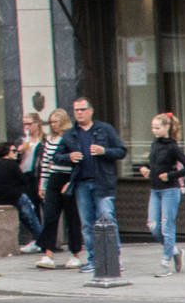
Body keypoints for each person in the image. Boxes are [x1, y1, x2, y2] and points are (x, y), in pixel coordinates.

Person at [54, 97, 126, 271]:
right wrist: (69, 157)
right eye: (76, 110)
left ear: (90, 110)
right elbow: (56, 157)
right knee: (87, 223)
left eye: (82, 109)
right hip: (81, 183)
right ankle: (94, 260)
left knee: (107, 219)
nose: (79, 113)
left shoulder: (104, 129)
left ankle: (113, 258)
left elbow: (121, 151)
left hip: (103, 182)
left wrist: (104, 151)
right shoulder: (70, 134)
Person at [138, 111, 185, 274]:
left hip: (170, 190)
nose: (154, 131)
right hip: (155, 189)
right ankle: (174, 251)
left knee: (167, 225)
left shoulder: (173, 147)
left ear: (166, 127)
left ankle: (165, 263)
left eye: (157, 128)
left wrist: (170, 176)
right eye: (152, 128)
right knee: (153, 225)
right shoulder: (155, 144)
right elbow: (153, 162)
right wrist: (145, 168)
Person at [34, 107, 78, 267]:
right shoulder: (49, 139)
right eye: (51, 122)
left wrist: (72, 179)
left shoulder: (71, 137)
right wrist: (42, 184)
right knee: (50, 216)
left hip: (68, 178)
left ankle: (75, 253)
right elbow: (45, 163)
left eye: (55, 122)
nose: (53, 125)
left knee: (72, 217)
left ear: (63, 121)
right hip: (54, 177)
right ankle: (48, 254)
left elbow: (76, 159)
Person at [12, 113, 45, 253]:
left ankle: (45, 238)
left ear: (37, 123)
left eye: (29, 124)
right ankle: (36, 238)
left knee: (44, 206)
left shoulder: (43, 140)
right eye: (24, 124)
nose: (26, 127)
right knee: (31, 206)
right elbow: (12, 158)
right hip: (24, 175)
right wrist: (18, 152)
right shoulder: (22, 140)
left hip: (39, 174)